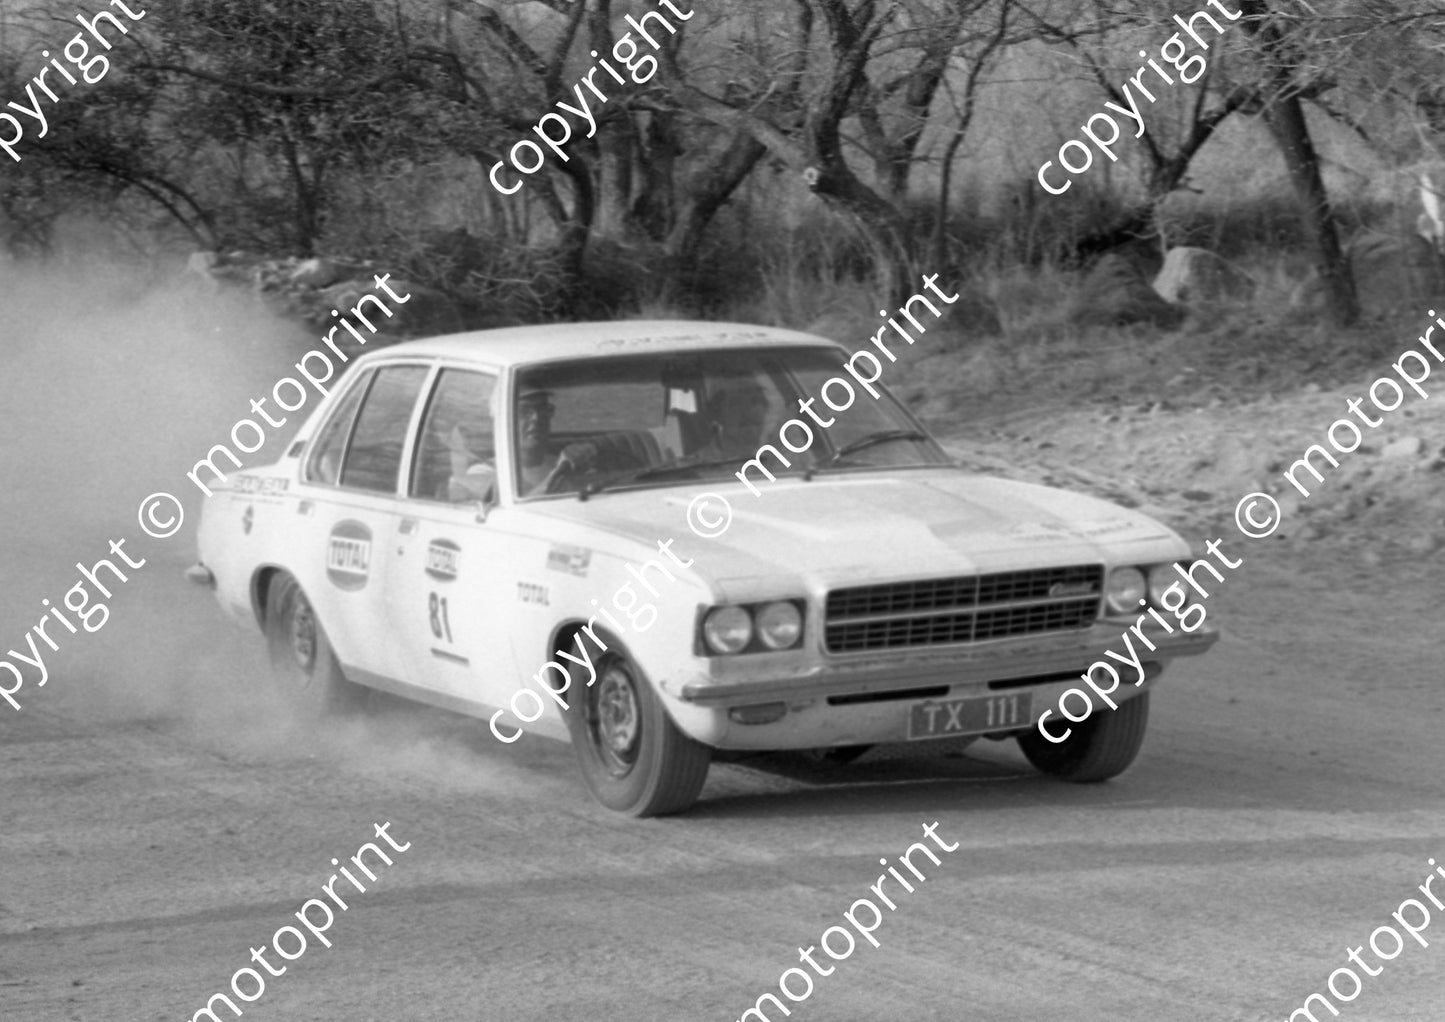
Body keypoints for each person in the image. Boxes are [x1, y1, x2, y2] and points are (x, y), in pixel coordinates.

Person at [692, 375, 771, 461]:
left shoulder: (776, 455)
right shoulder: (701, 463)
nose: (748, 410)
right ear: (717, 413)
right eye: (737, 403)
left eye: (755, 401)